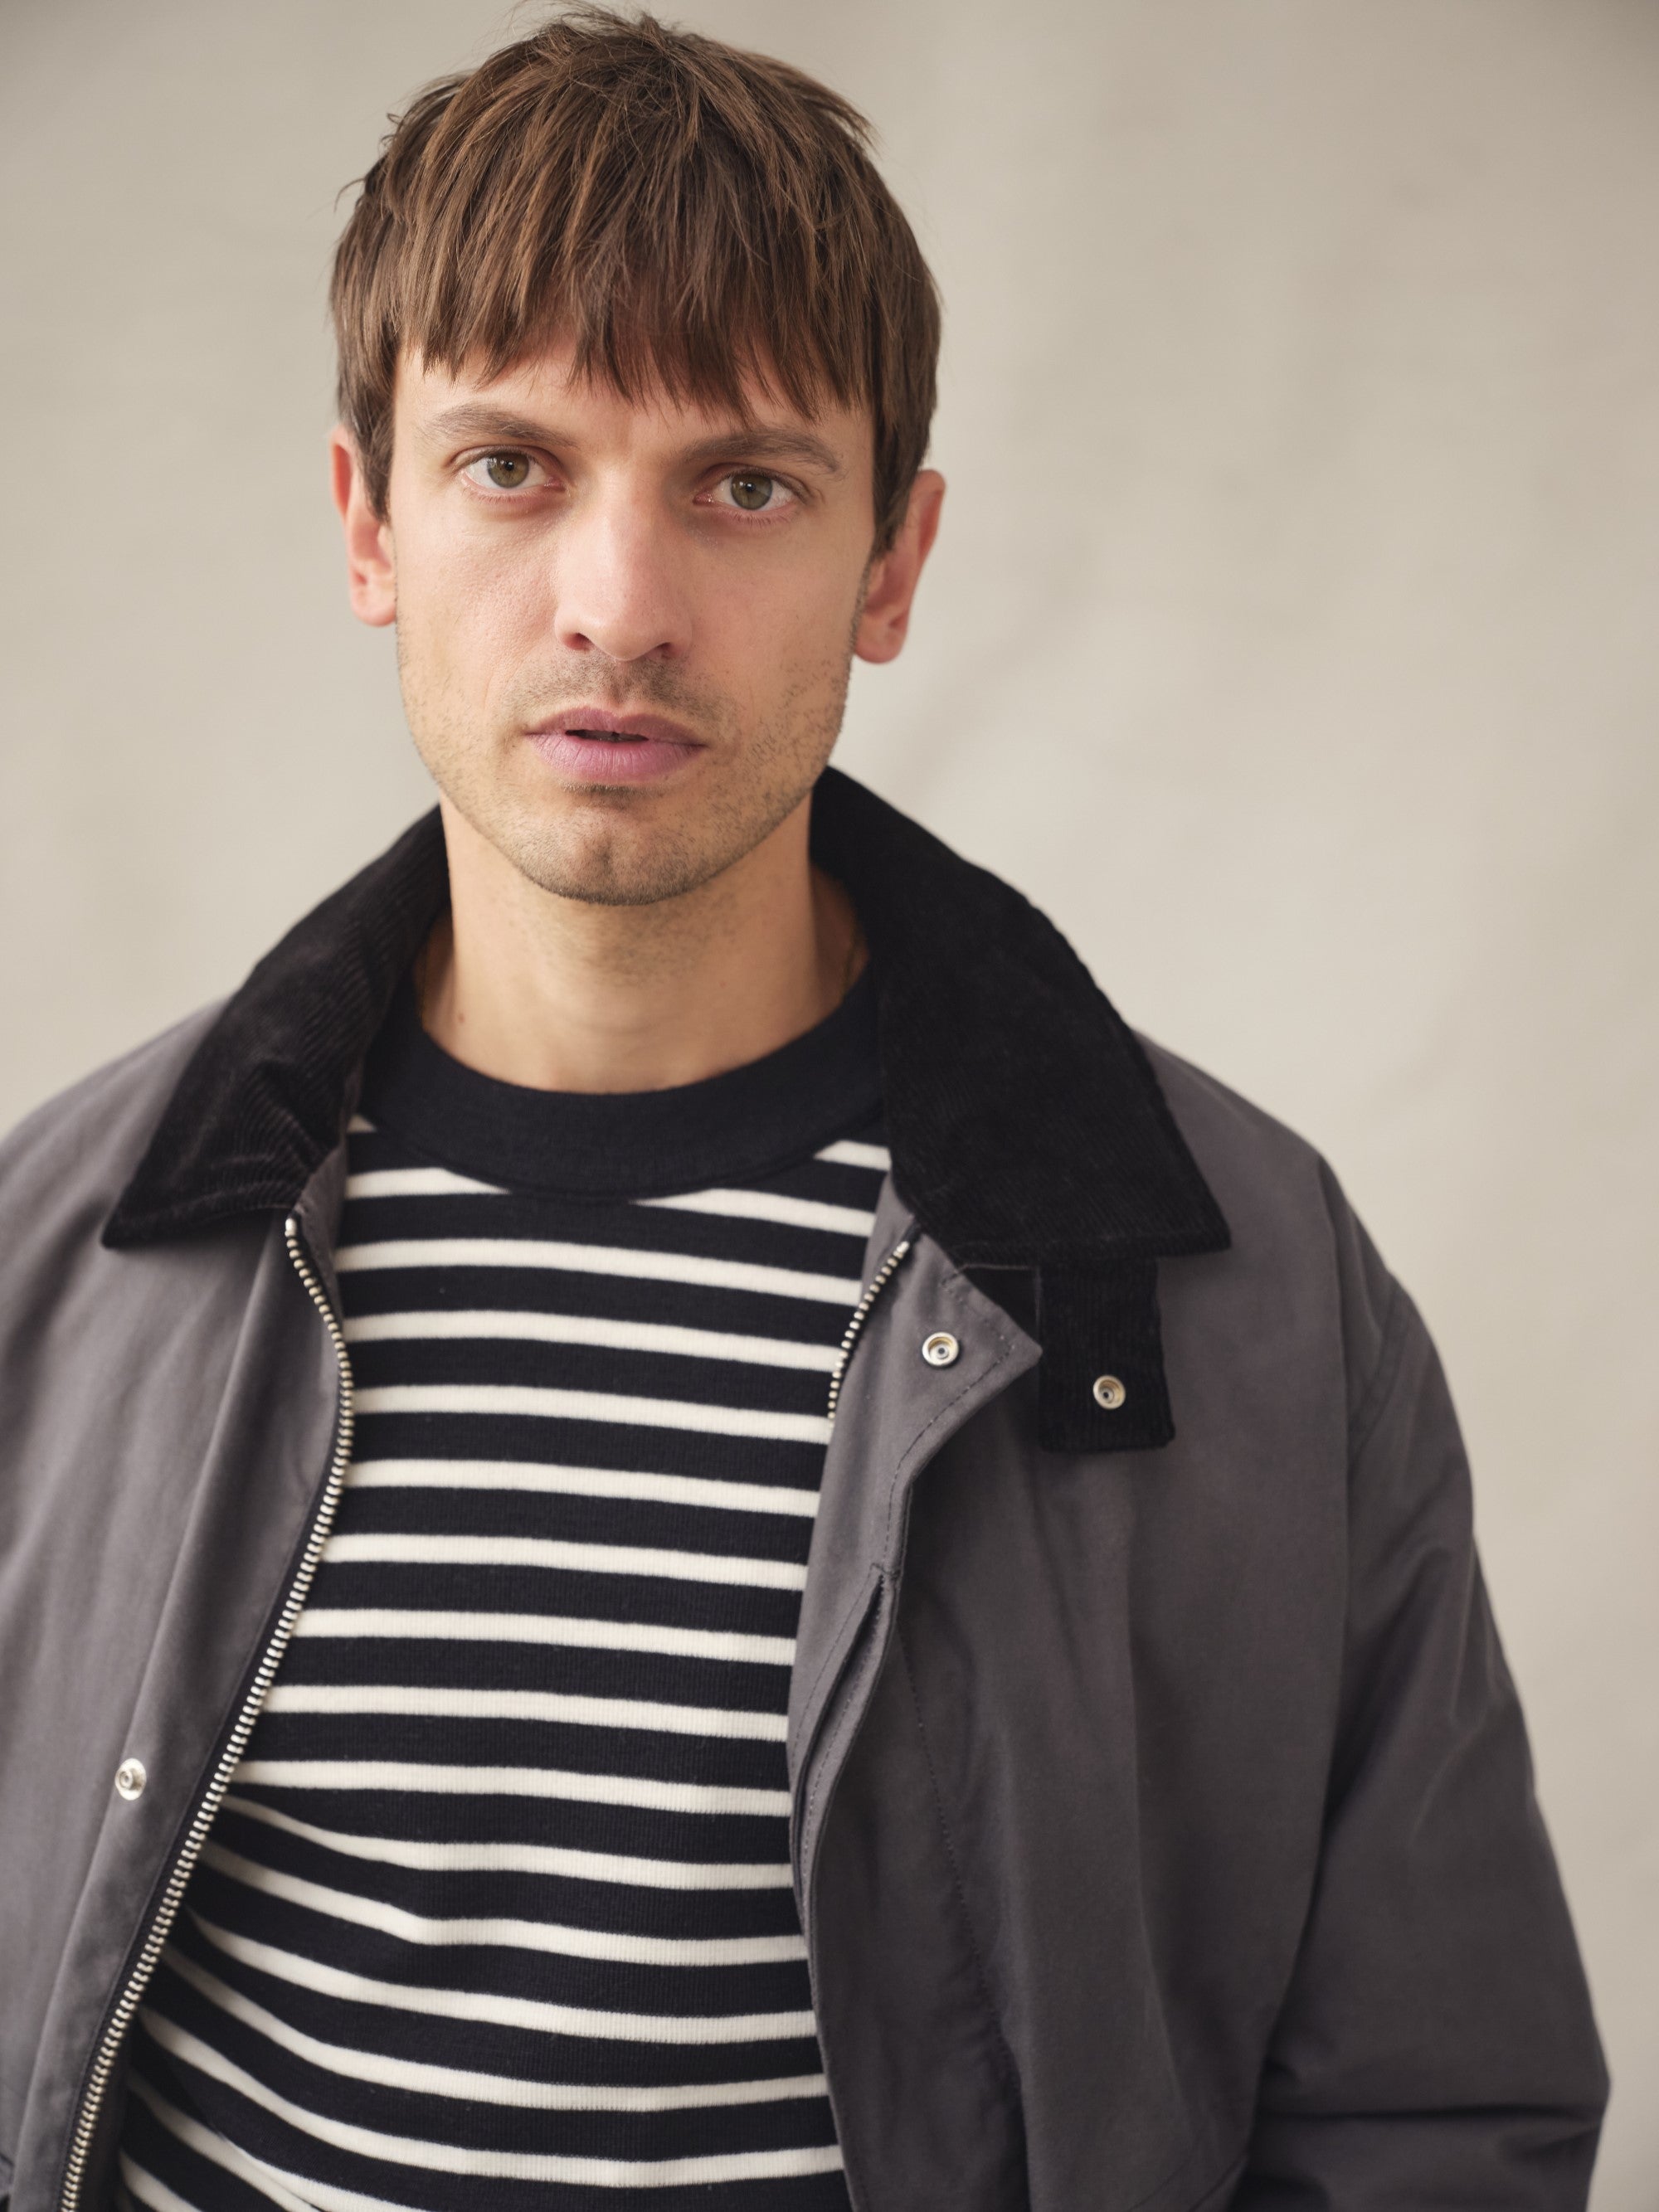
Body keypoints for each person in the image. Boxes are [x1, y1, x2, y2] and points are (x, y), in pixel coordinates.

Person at [0, 9, 1608, 2211]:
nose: (621, 607)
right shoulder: (66, 1256)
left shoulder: (1246, 1297)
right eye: (513, 465)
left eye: (743, 483)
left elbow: (1433, 2120)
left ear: (892, 562)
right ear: (368, 522)